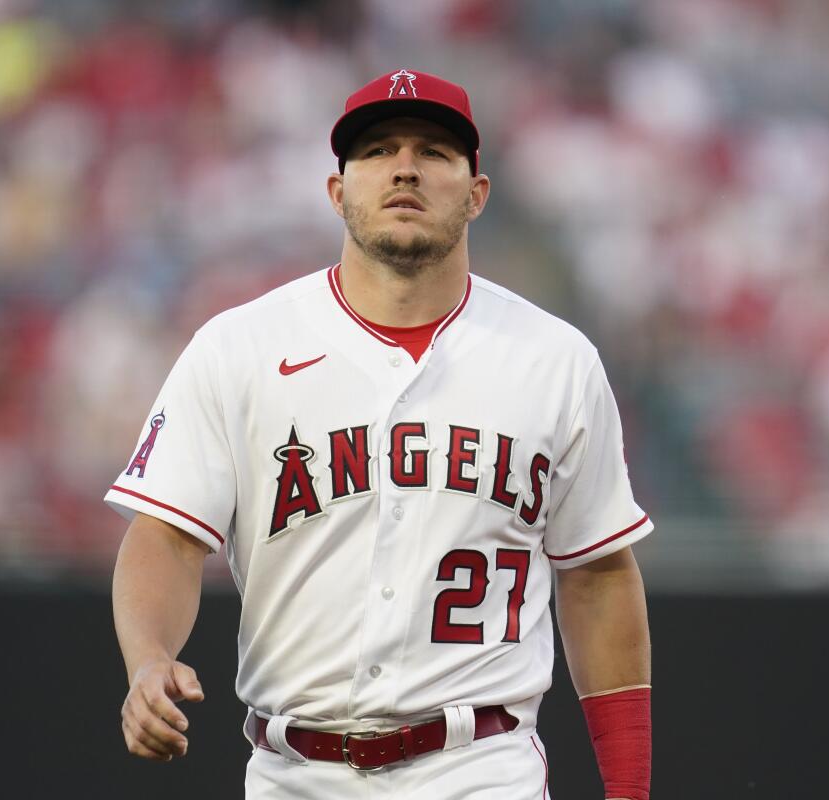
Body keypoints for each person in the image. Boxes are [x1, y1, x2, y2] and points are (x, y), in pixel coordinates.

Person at [107, 68, 654, 799]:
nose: (404, 167)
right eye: (376, 150)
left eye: (433, 151)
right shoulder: (239, 348)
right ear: (338, 192)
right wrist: (147, 658)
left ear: (477, 192)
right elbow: (164, 538)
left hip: (480, 767)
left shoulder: (555, 360)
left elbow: (597, 575)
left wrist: (628, 789)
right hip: (295, 772)